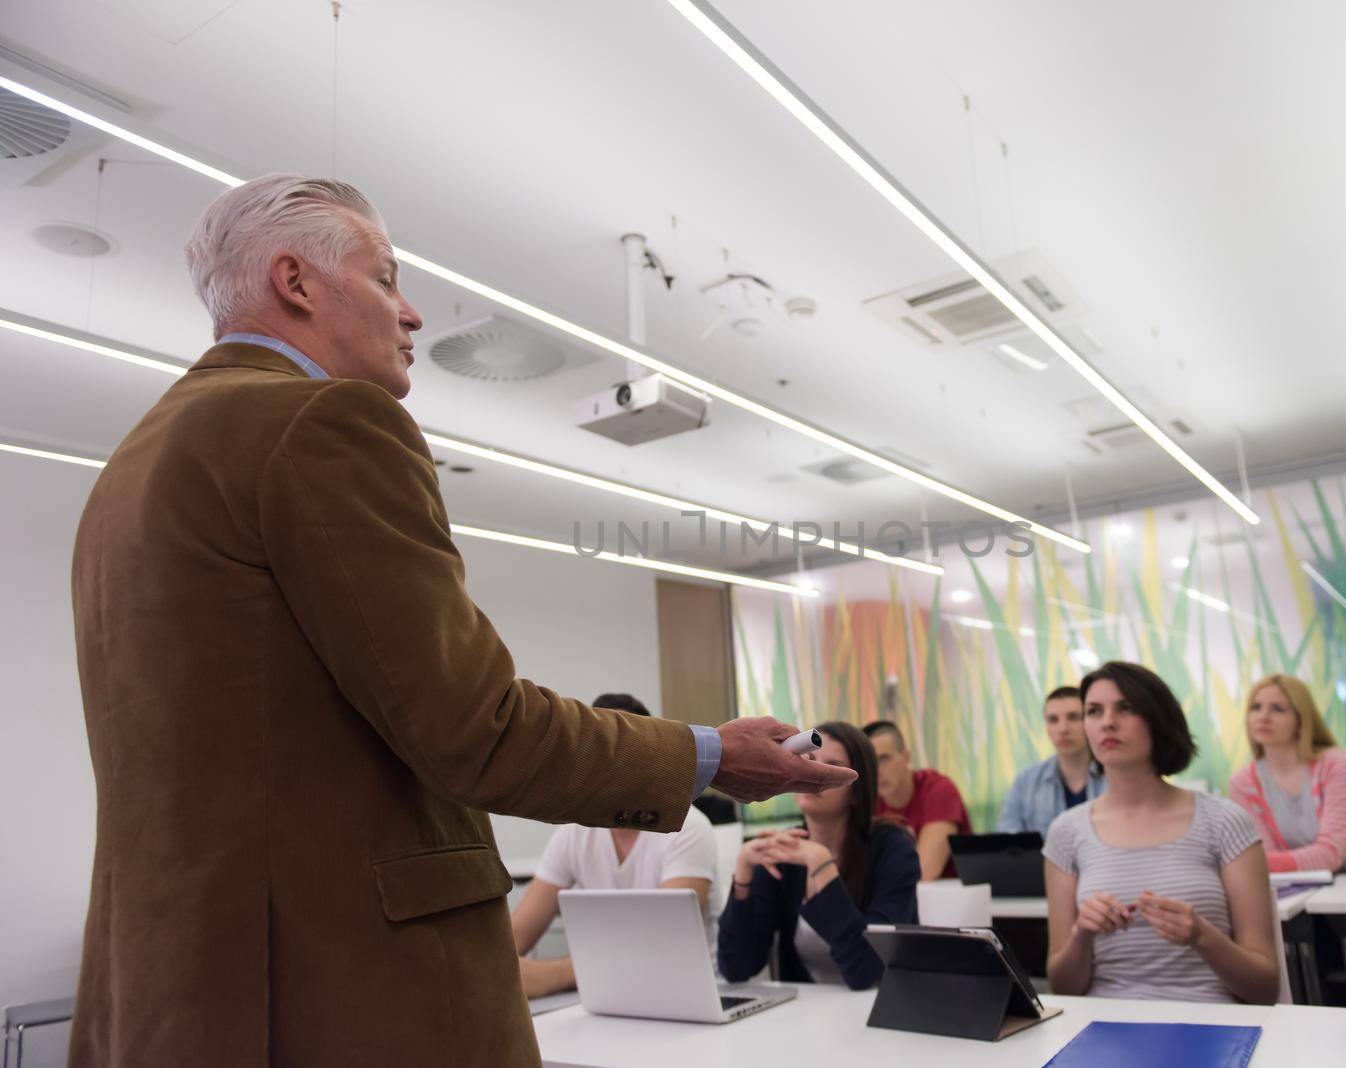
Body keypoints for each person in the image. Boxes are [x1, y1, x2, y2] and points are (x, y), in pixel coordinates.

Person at [68, 174, 855, 1068]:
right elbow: (475, 728)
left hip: (180, 987)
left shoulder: (131, 469)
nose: (411, 316)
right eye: (387, 279)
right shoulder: (321, 421)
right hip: (345, 990)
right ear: (295, 282)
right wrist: (710, 755)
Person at [1044, 661, 1278, 1004]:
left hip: (1211, 1022)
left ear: (1158, 720)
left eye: (1126, 708)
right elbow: (1063, 989)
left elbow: (1265, 989)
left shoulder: (1225, 821)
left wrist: (1201, 936)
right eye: (1094, 711)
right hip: (1102, 1026)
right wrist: (1082, 935)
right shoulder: (1065, 832)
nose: (1107, 722)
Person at [510, 695, 720, 998]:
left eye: (619, 746)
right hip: (605, 996)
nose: (604, 761)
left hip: (682, 994)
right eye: (595, 746)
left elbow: (660, 944)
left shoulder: (688, 826)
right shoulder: (573, 834)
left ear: (650, 754)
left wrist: (553, 974)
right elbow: (516, 936)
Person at [718, 722, 919, 990]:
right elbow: (736, 968)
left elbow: (867, 970)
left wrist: (821, 865)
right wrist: (743, 873)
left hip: (886, 1009)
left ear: (857, 789)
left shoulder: (893, 849)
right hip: (808, 1017)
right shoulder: (785, 851)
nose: (814, 774)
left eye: (831, 765)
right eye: (809, 760)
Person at [1226, 674, 1346, 872]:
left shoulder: (1339, 766)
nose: (1263, 717)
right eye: (1255, 707)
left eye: (1277, 709)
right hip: (1292, 891)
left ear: (1301, 719)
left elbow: (1332, 853)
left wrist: (1251, 865)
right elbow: (1263, 854)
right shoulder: (1241, 782)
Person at [863, 720, 972, 880]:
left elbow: (923, 872)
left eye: (884, 759)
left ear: (906, 757)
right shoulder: (869, 801)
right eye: (870, 763)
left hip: (950, 899)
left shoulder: (939, 790)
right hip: (903, 898)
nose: (877, 771)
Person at [999, 685, 1104, 834]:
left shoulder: (1116, 776)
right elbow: (1006, 843)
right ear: (1046, 726)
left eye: (1073, 717)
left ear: (1089, 721)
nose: (1063, 729)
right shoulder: (1025, 782)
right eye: (1053, 720)